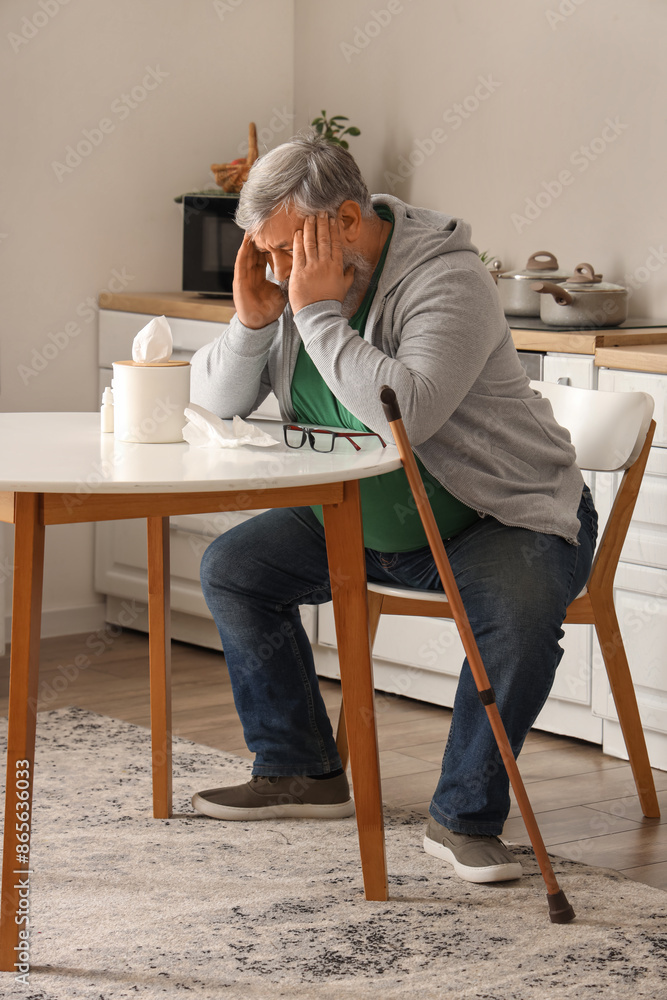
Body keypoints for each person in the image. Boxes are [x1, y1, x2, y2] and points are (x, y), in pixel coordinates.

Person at [189, 131, 598, 885]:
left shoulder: (448, 280)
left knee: (515, 615)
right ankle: (301, 770)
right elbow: (215, 402)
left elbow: (404, 411)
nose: (276, 269)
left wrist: (312, 316)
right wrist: (252, 323)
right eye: (264, 253)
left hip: (497, 513)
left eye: (284, 248)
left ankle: (463, 816)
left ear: (346, 219)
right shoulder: (292, 281)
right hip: (356, 515)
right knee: (233, 568)